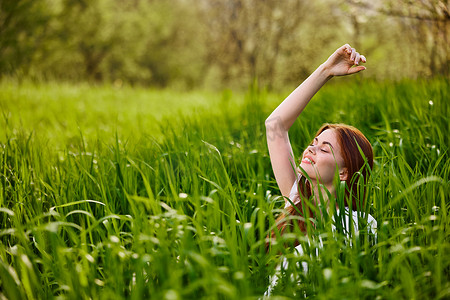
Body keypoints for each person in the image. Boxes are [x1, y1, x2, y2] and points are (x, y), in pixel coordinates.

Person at [264, 44, 377, 295]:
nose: (311, 150)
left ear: (344, 173)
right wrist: (326, 70)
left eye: (324, 149)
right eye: (313, 143)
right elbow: (274, 126)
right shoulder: (297, 203)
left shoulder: (361, 225)